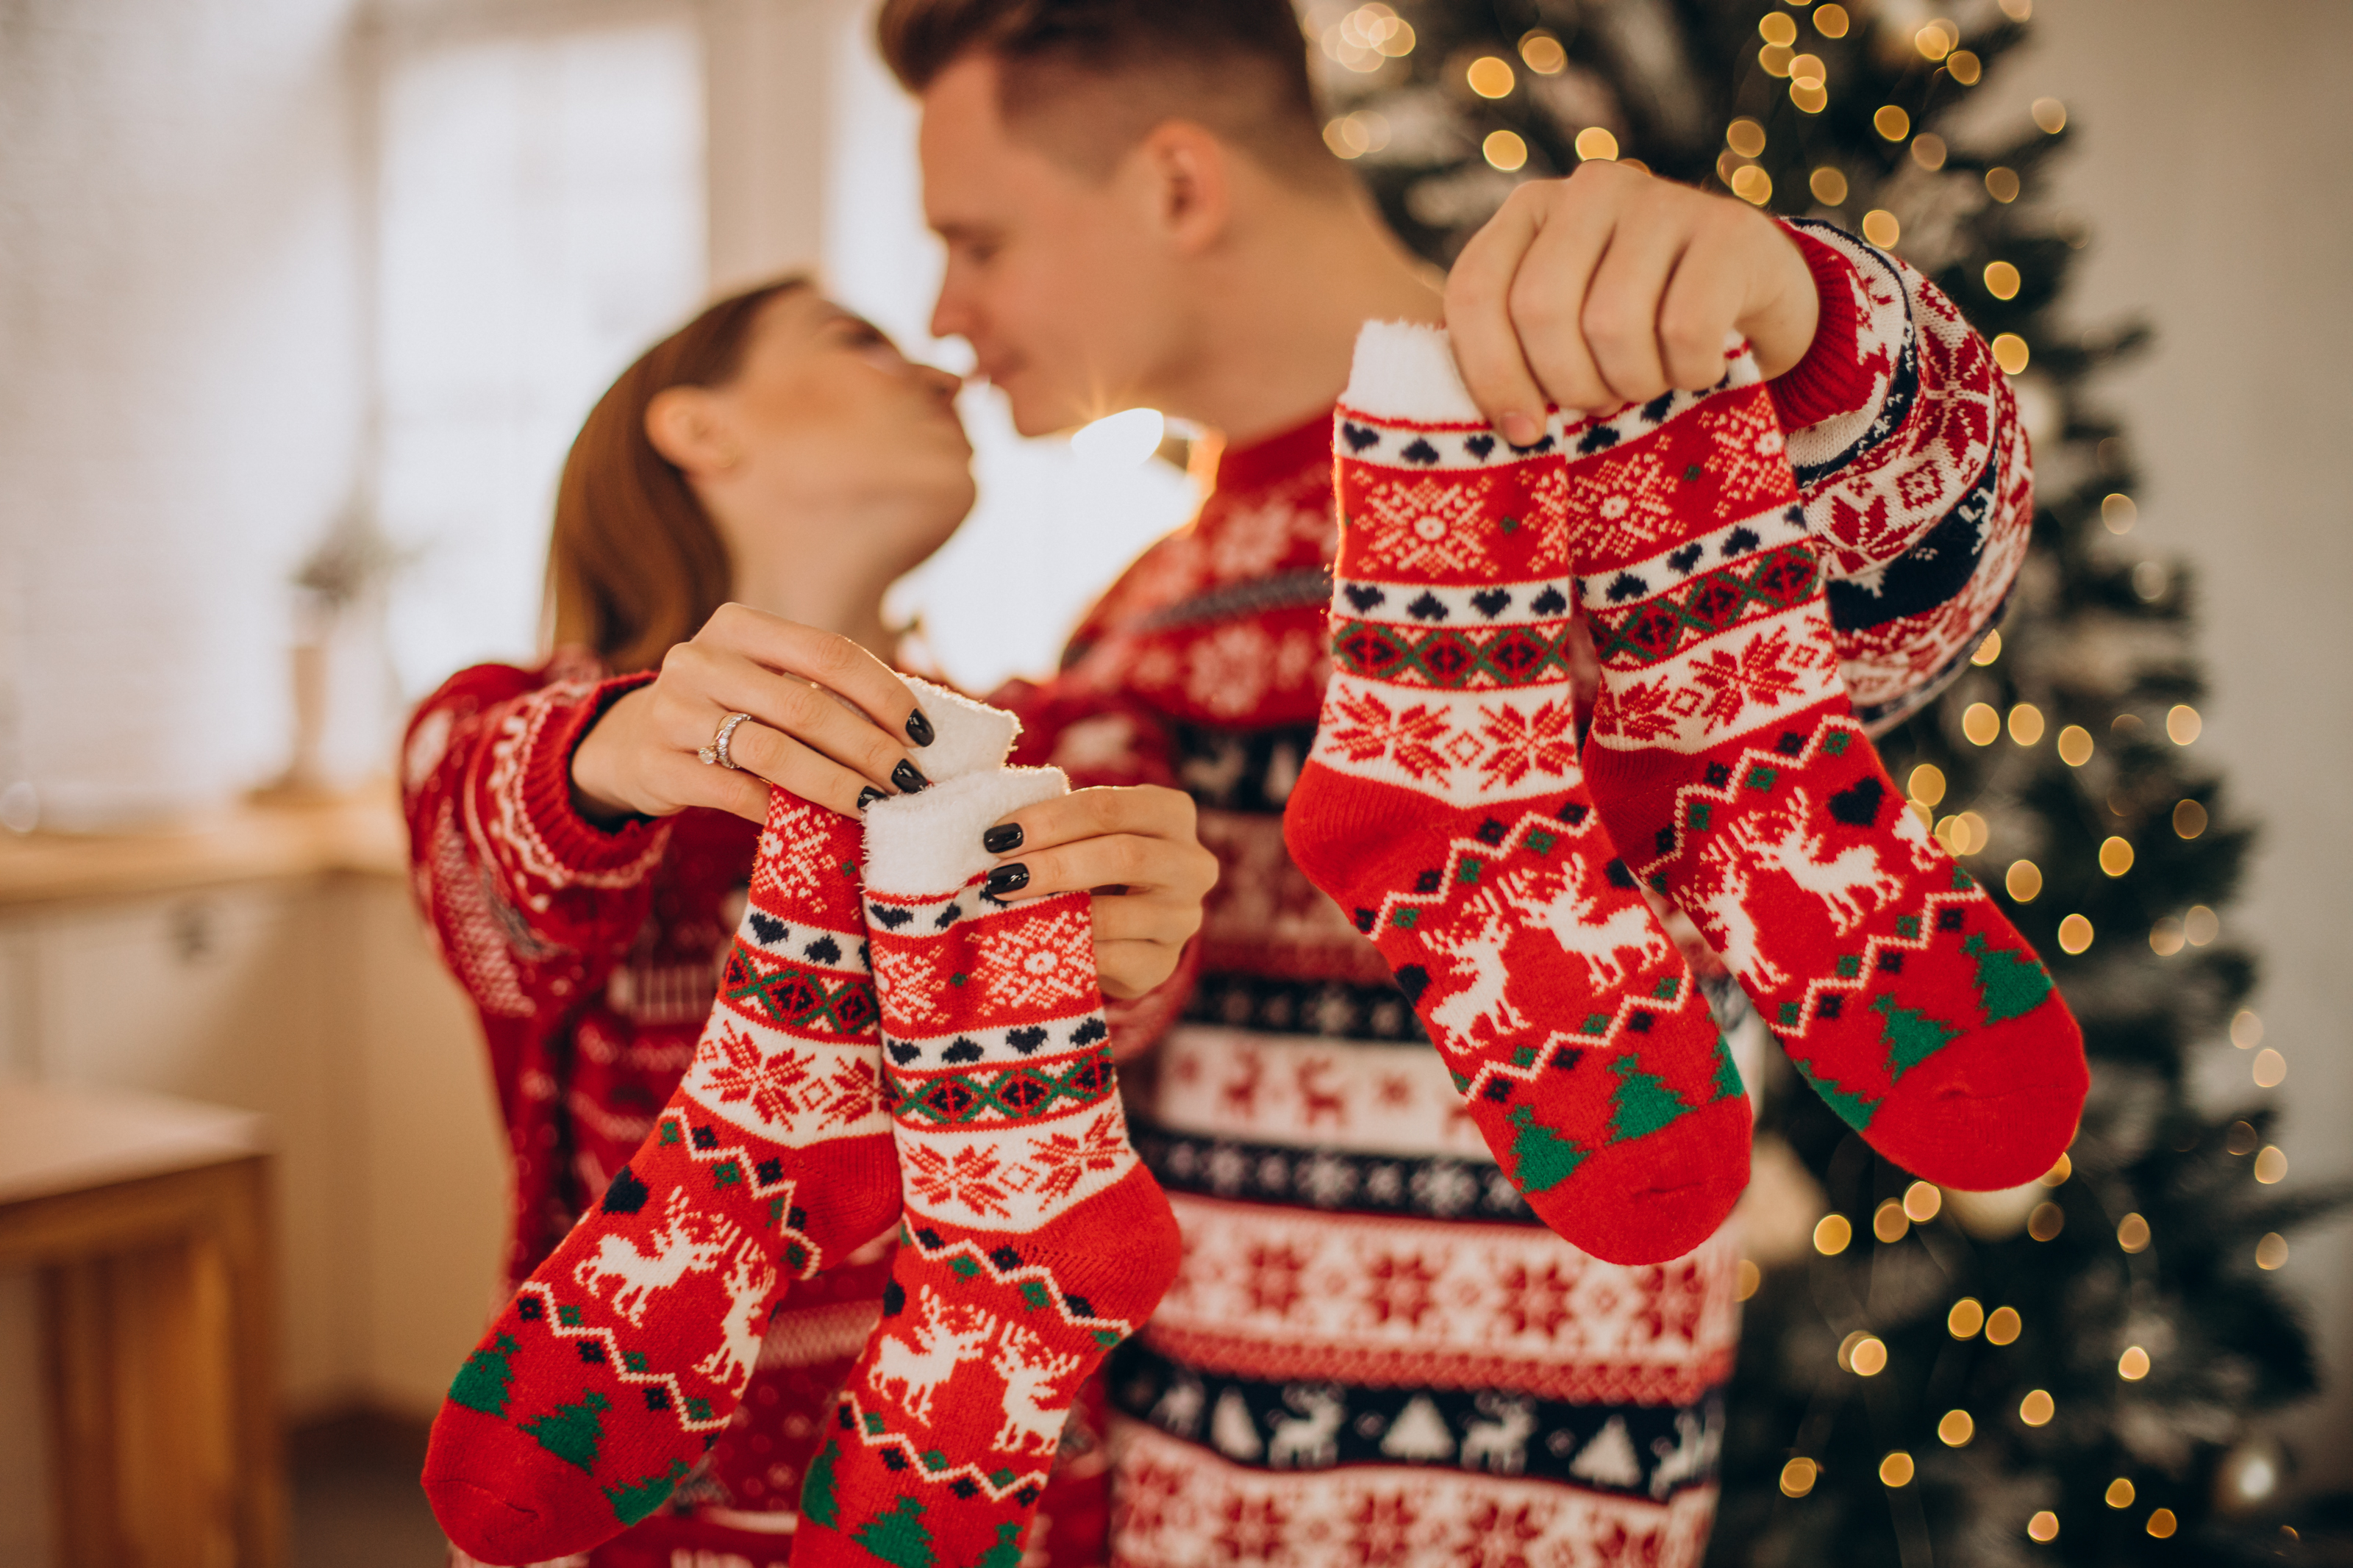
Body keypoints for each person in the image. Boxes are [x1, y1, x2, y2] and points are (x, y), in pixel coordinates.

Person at [871, 1, 2033, 1562]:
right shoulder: (1141, 609)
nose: (946, 311)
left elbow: (1915, 575)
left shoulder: (1607, 472)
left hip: (1534, 1501)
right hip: (1176, 1492)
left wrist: (1802, 311)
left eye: (978, 238)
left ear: (1175, 184)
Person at [401, 278, 1218, 1566]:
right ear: (700, 429)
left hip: (992, 1495)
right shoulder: (517, 730)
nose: (948, 372)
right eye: (862, 341)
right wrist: (624, 744)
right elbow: (494, 896)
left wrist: (1125, 944)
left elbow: (1117, 1061)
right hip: (634, 1493)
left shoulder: (1056, 746)